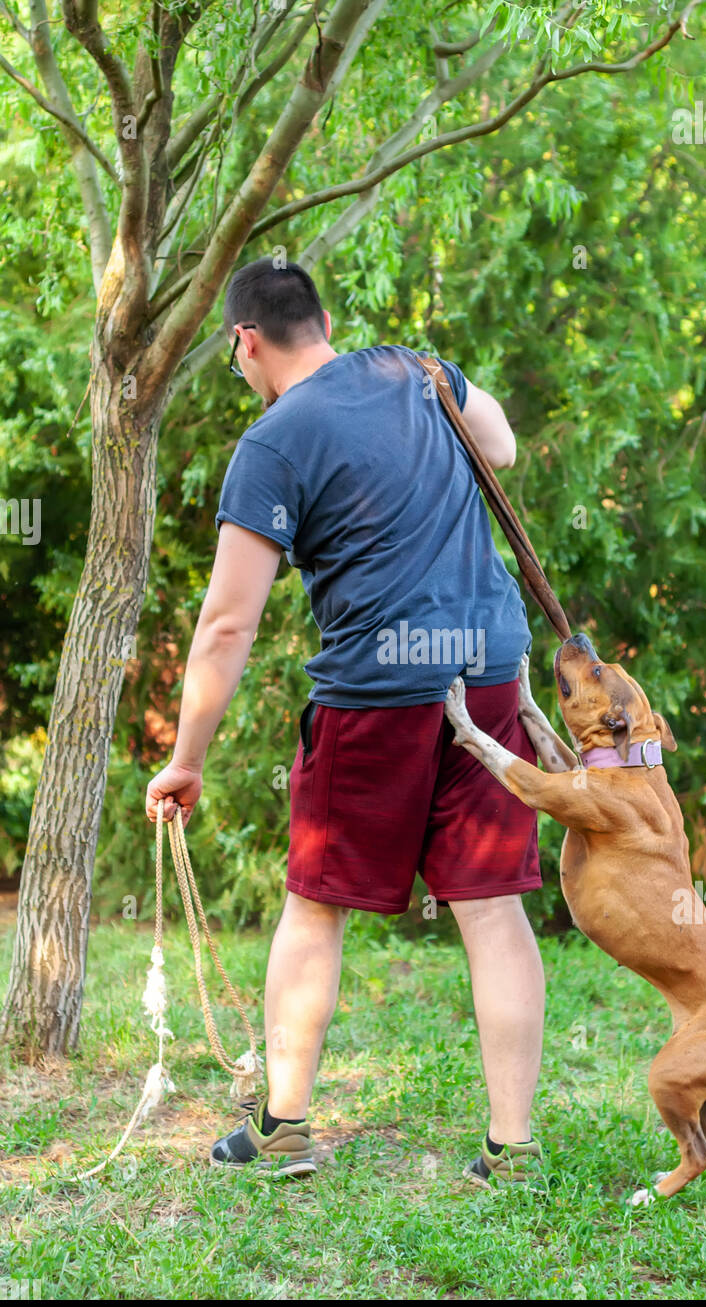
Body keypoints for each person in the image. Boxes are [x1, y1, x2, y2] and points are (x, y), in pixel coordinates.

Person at [145, 258, 546, 1186]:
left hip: (376, 697)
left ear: (246, 340)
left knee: (316, 905)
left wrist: (186, 758)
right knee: (491, 909)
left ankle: (282, 1127)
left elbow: (227, 622)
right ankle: (512, 1149)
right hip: (487, 675)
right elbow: (502, 447)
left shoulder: (274, 442)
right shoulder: (418, 369)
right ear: (323, 320)